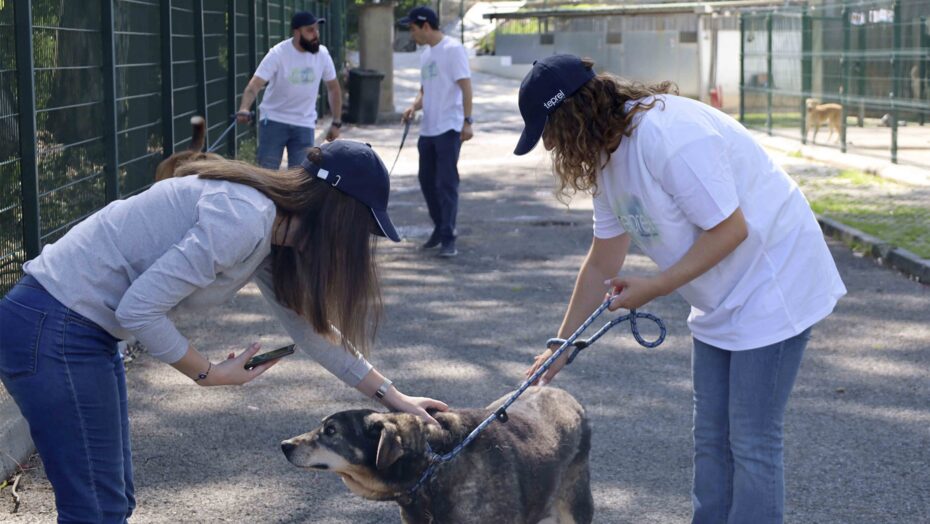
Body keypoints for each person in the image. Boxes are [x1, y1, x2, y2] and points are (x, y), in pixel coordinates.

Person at [0, 140, 447, 522]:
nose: (358, 245)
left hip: (78, 332)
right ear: (337, 215)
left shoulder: (273, 231)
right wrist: (208, 372)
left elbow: (313, 332)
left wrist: (395, 399)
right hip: (54, 328)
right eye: (362, 230)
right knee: (94, 508)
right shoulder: (244, 218)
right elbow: (139, 310)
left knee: (109, 502)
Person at [518, 55, 846, 524]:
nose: (552, 148)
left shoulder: (667, 136)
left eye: (550, 133)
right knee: (711, 437)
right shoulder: (607, 158)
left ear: (572, 116)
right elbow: (601, 262)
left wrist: (653, 287)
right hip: (719, 295)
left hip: (775, 283)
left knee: (751, 440)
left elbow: (731, 230)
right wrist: (562, 344)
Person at [399, 6, 473, 258]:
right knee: (426, 182)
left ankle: (448, 235)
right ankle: (440, 228)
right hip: (428, 129)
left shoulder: (453, 50)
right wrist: (413, 106)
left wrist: (467, 121)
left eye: (412, 28)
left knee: (446, 183)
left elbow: (465, 86)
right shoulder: (426, 55)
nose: (411, 34)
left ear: (426, 26)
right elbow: (425, 89)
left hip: (449, 127)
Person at [237, 11, 343, 170]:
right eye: (310, 30)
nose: (315, 34)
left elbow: (333, 88)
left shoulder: (322, 55)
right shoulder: (278, 53)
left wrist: (336, 122)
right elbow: (255, 85)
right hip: (273, 120)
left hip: (304, 123)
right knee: (266, 174)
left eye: (316, 29)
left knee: (300, 177)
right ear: (297, 32)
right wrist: (244, 108)